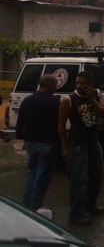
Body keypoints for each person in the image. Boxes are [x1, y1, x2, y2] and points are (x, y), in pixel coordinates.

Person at [58, 71, 104, 226]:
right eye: (77, 83)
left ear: (90, 84)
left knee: (97, 175)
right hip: (77, 143)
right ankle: (76, 214)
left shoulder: (97, 94)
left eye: (83, 83)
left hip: (93, 141)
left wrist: (92, 99)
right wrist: (64, 147)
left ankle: (90, 205)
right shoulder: (68, 99)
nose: (79, 86)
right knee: (79, 180)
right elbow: (61, 125)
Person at [16, 74, 60, 213]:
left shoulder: (28, 100)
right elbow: (59, 123)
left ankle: (25, 202)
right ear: (48, 85)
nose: (56, 87)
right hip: (47, 143)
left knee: (32, 172)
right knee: (43, 174)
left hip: (31, 142)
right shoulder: (54, 102)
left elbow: (21, 121)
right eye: (55, 84)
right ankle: (35, 205)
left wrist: (23, 138)